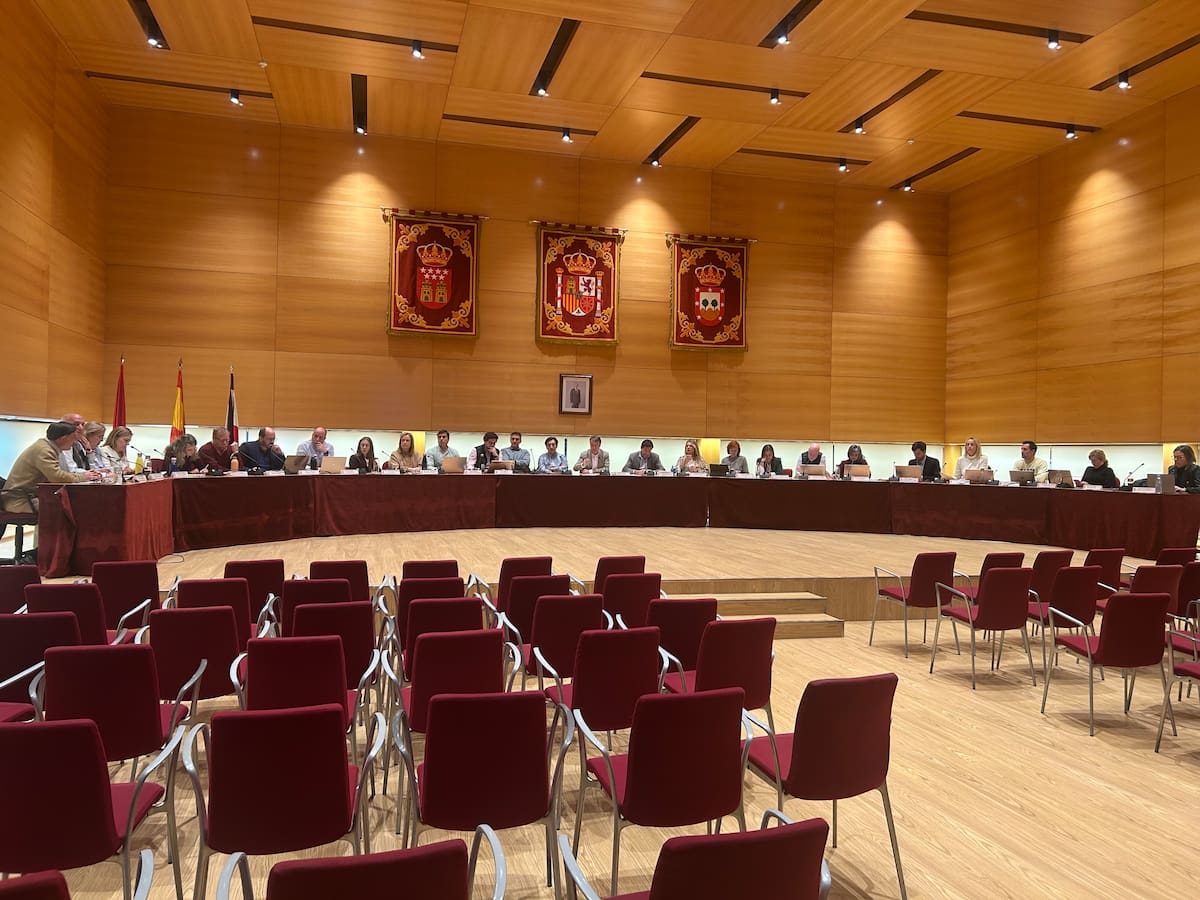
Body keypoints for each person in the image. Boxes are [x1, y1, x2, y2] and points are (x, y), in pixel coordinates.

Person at [2, 421, 101, 512]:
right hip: (19, 501)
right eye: (73, 438)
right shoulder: (44, 450)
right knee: (69, 508)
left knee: (71, 504)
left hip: (29, 496)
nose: (74, 442)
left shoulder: (46, 446)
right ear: (63, 439)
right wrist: (83, 477)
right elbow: (57, 477)